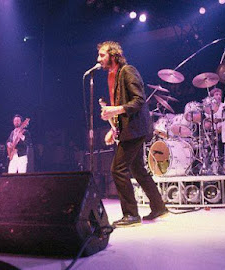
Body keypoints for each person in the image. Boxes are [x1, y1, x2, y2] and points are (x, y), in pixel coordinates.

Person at [97, 41, 168, 228]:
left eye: (102, 55)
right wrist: (113, 129)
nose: (99, 59)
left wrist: (114, 110)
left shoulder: (127, 70)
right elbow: (121, 109)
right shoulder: (113, 76)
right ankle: (159, 206)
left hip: (135, 129)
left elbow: (139, 101)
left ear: (113, 55)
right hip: (130, 129)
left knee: (117, 169)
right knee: (137, 169)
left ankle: (131, 215)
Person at [203, 88, 225, 174]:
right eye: (216, 94)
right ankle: (212, 167)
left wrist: (221, 127)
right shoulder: (208, 108)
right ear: (212, 97)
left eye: (220, 95)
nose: (218, 96)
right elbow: (206, 124)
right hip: (213, 133)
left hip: (224, 132)